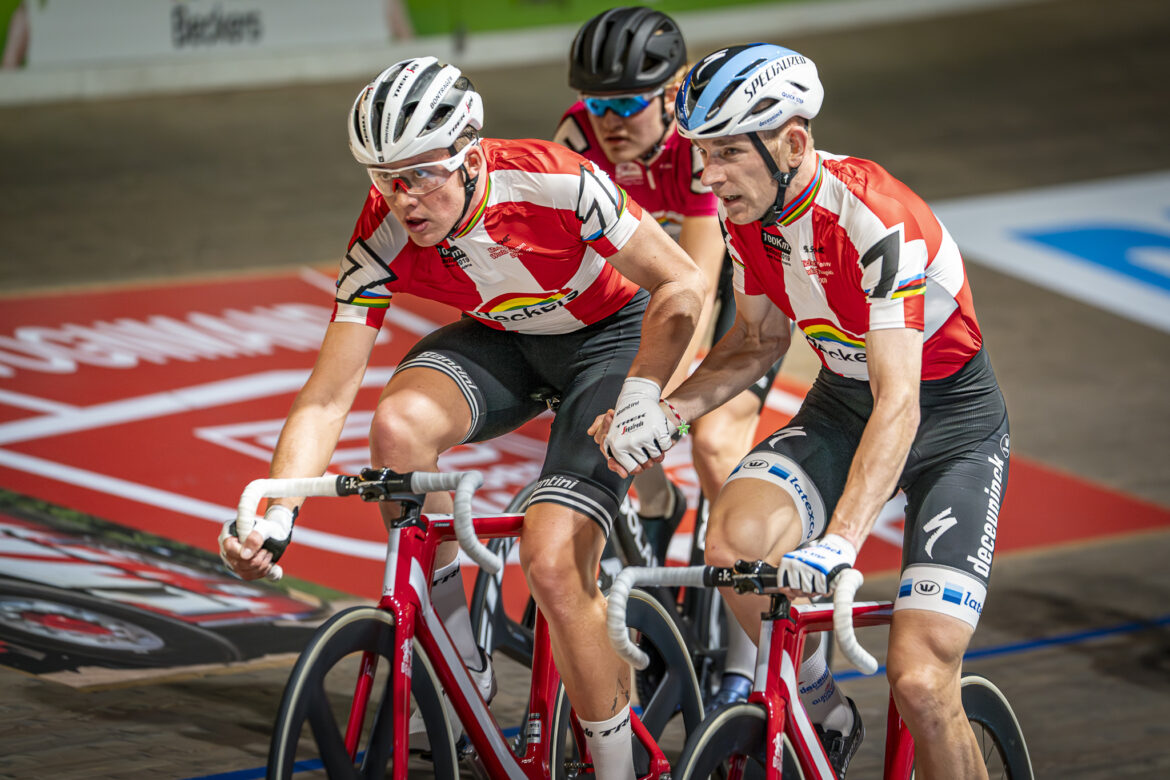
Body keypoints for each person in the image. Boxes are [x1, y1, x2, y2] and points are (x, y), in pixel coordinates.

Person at [218, 56, 705, 780]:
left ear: (470, 158)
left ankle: (615, 766)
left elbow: (682, 280)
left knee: (549, 562)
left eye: (421, 175)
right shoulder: (380, 233)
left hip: (608, 339)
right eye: (384, 178)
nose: (402, 199)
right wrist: (275, 512)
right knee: (397, 430)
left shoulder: (553, 178)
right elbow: (329, 392)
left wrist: (648, 393)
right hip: (506, 340)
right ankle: (457, 657)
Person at [593, 44, 1010, 779]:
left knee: (919, 680)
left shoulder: (878, 220)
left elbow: (902, 402)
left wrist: (841, 540)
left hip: (948, 426)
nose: (708, 175)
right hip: (845, 404)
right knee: (736, 545)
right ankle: (820, 704)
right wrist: (669, 412)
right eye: (700, 153)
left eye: (726, 152)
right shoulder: (747, 214)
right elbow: (756, 340)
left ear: (791, 142)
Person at [557, 6, 783, 709]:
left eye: (627, 103)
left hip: (739, 296)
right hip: (658, 287)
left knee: (714, 442)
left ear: (671, 91)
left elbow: (700, 283)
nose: (611, 122)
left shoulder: (699, 147)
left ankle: (749, 647)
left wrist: (664, 397)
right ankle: (657, 506)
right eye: (599, 104)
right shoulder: (577, 134)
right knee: (620, 418)